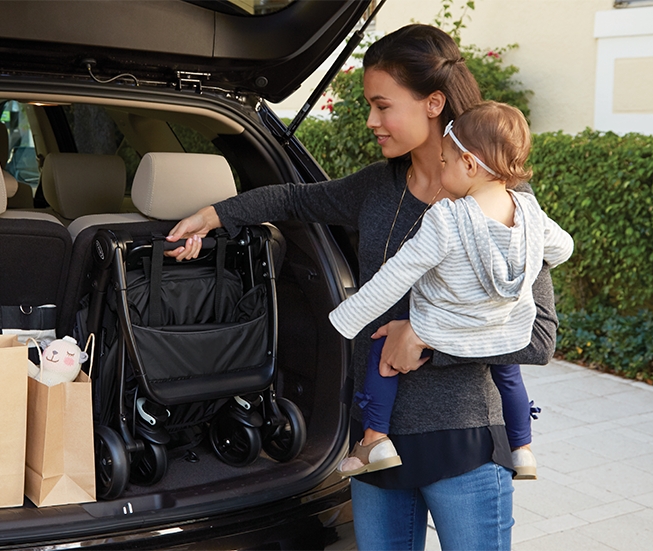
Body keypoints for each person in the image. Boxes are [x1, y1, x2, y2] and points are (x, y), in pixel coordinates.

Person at [166, 24, 559, 550]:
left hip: (461, 443)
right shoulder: (378, 188)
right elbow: (293, 199)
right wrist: (215, 215)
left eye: (382, 105)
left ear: (433, 102)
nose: (372, 121)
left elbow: (539, 339)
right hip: (375, 443)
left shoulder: (505, 203)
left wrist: (422, 338)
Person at [328, 101, 573, 479]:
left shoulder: (447, 218)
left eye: (445, 161)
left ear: (470, 165)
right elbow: (564, 248)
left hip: (443, 328)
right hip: (504, 330)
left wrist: (348, 318)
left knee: (383, 348)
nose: (440, 169)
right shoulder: (528, 213)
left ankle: (374, 441)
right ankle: (523, 448)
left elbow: (397, 274)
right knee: (508, 374)